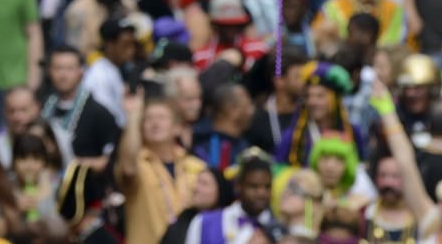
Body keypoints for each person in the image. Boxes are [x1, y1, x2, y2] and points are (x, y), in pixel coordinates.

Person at [115, 92, 214, 244]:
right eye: (148, 119)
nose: (155, 123)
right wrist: (134, 116)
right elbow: (128, 168)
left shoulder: (196, 166)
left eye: (161, 118)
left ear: (177, 128)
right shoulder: (138, 163)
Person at [41, 47, 120, 169]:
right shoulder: (42, 108)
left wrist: (77, 164)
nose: (63, 75)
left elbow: (112, 158)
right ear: (49, 71)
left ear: (81, 72)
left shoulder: (98, 113)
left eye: (69, 69)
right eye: (58, 68)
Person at [182, 149, 280, 244]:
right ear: (238, 186)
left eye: (267, 187)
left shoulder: (279, 231)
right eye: (253, 186)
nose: (261, 193)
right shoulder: (204, 222)